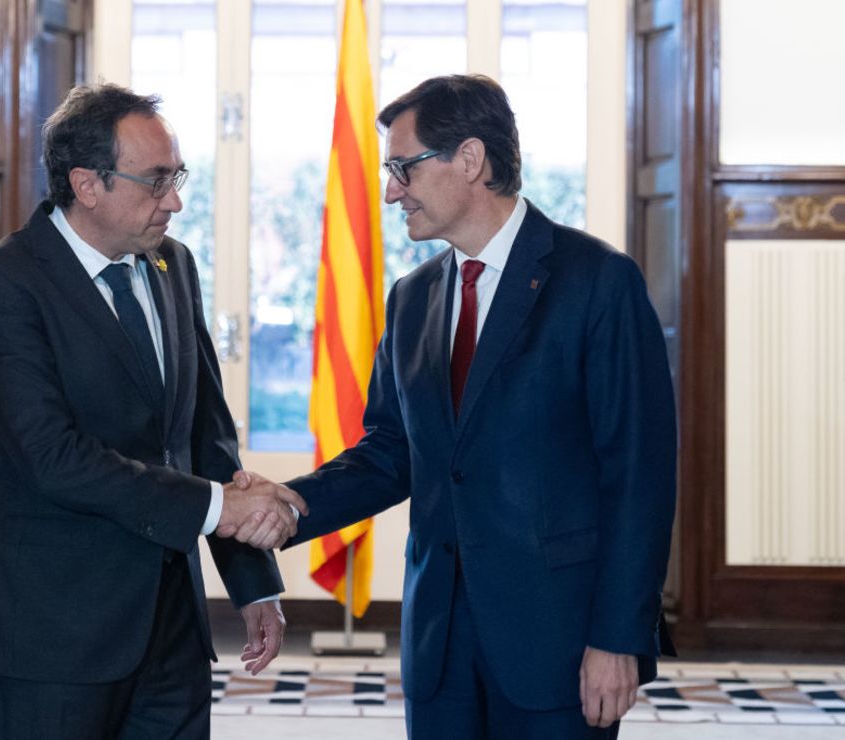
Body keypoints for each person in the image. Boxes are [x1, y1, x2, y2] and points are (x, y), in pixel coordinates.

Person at [276, 74, 677, 738]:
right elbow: (389, 454)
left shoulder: (598, 282)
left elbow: (639, 476)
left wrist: (620, 637)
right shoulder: (410, 299)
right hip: (439, 651)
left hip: (560, 644)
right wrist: (287, 504)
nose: (389, 191)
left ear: (469, 159)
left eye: (403, 168)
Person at [0, 83, 306, 740]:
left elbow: (207, 435)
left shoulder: (173, 264)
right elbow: (52, 458)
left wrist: (254, 583)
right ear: (88, 184)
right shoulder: (3, 285)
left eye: (177, 177)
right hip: (54, 633)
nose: (174, 200)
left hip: (172, 630)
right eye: (156, 182)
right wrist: (214, 507)